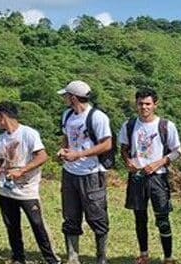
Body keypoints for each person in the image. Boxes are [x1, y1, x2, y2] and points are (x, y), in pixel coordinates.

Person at [0, 101, 61, 264]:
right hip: (6, 189)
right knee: (12, 225)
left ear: (2, 117)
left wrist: (22, 170)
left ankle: (51, 259)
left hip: (27, 189)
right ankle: (18, 257)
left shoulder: (28, 133)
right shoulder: (1, 139)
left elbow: (42, 156)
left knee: (37, 224)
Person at [119, 87, 181, 264]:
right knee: (140, 217)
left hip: (158, 177)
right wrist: (128, 162)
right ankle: (143, 254)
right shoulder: (129, 125)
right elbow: (123, 148)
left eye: (147, 104)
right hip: (137, 177)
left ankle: (168, 257)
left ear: (155, 104)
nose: (144, 107)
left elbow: (177, 151)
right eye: (140, 104)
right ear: (136, 104)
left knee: (162, 217)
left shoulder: (166, 125)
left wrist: (158, 163)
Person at [56, 80, 112, 264]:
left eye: (66, 95)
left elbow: (106, 144)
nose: (64, 99)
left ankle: (101, 257)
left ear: (73, 97)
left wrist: (79, 154)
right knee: (70, 215)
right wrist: (63, 150)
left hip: (92, 173)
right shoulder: (67, 115)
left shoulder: (97, 117)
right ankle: (73, 257)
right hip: (70, 172)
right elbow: (67, 137)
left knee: (97, 216)